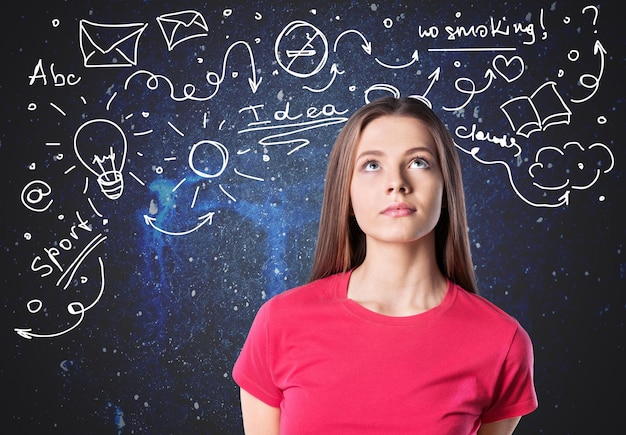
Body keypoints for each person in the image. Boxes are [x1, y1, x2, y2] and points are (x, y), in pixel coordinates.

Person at [232, 96, 538, 434]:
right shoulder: (279, 324)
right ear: (345, 196)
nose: (397, 183)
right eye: (372, 165)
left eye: (419, 162)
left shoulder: (500, 342)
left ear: (446, 188)